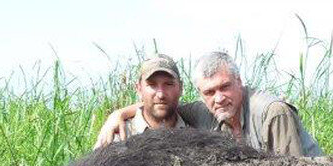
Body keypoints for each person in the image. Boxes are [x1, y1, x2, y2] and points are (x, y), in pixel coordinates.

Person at [96, 51, 321, 157]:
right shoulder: (205, 111)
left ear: (239, 82)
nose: (219, 98)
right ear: (201, 95)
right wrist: (118, 114)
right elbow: (161, 108)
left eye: (225, 87)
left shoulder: (273, 113)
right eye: (210, 92)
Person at [112, 54, 187, 141]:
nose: (161, 95)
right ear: (139, 89)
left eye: (168, 84)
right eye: (152, 85)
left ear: (181, 88)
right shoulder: (117, 137)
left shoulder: (198, 130)